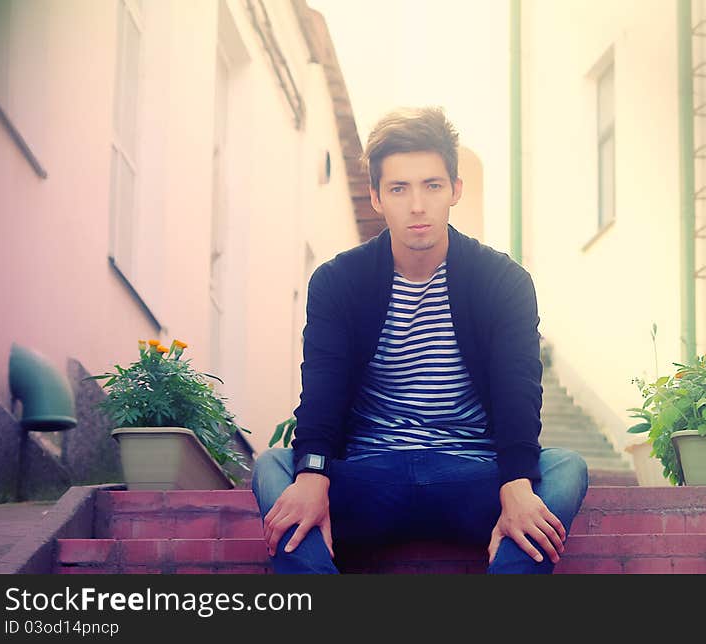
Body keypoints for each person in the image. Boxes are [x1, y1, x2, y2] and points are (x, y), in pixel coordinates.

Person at [252, 106, 588, 574]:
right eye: (398, 188)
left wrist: (515, 484)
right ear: (375, 196)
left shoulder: (502, 280)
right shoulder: (338, 281)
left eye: (431, 185)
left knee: (565, 466)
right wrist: (312, 473)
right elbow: (322, 388)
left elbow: (519, 392)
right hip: (370, 479)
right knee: (275, 466)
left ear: (455, 189)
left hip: (472, 477)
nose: (416, 205)